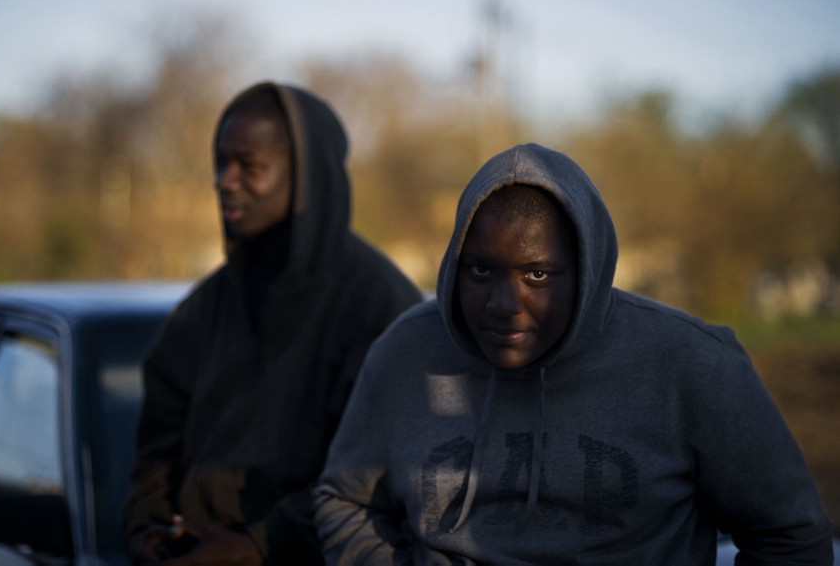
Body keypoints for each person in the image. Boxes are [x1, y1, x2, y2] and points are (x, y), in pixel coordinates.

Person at [314, 143, 835, 564]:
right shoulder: (406, 351)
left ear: (587, 271)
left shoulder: (692, 365)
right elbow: (344, 500)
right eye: (479, 270)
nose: (503, 305)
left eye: (537, 274)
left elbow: (791, 538)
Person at [122, 81, 423, 566]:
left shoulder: (378, 306)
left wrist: (260, 545)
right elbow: (158, 440)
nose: (224, 180)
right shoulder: (206, 305)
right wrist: (147, 526)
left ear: (307, 177)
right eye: (221, 162)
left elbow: (379, 475)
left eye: (250, 166)